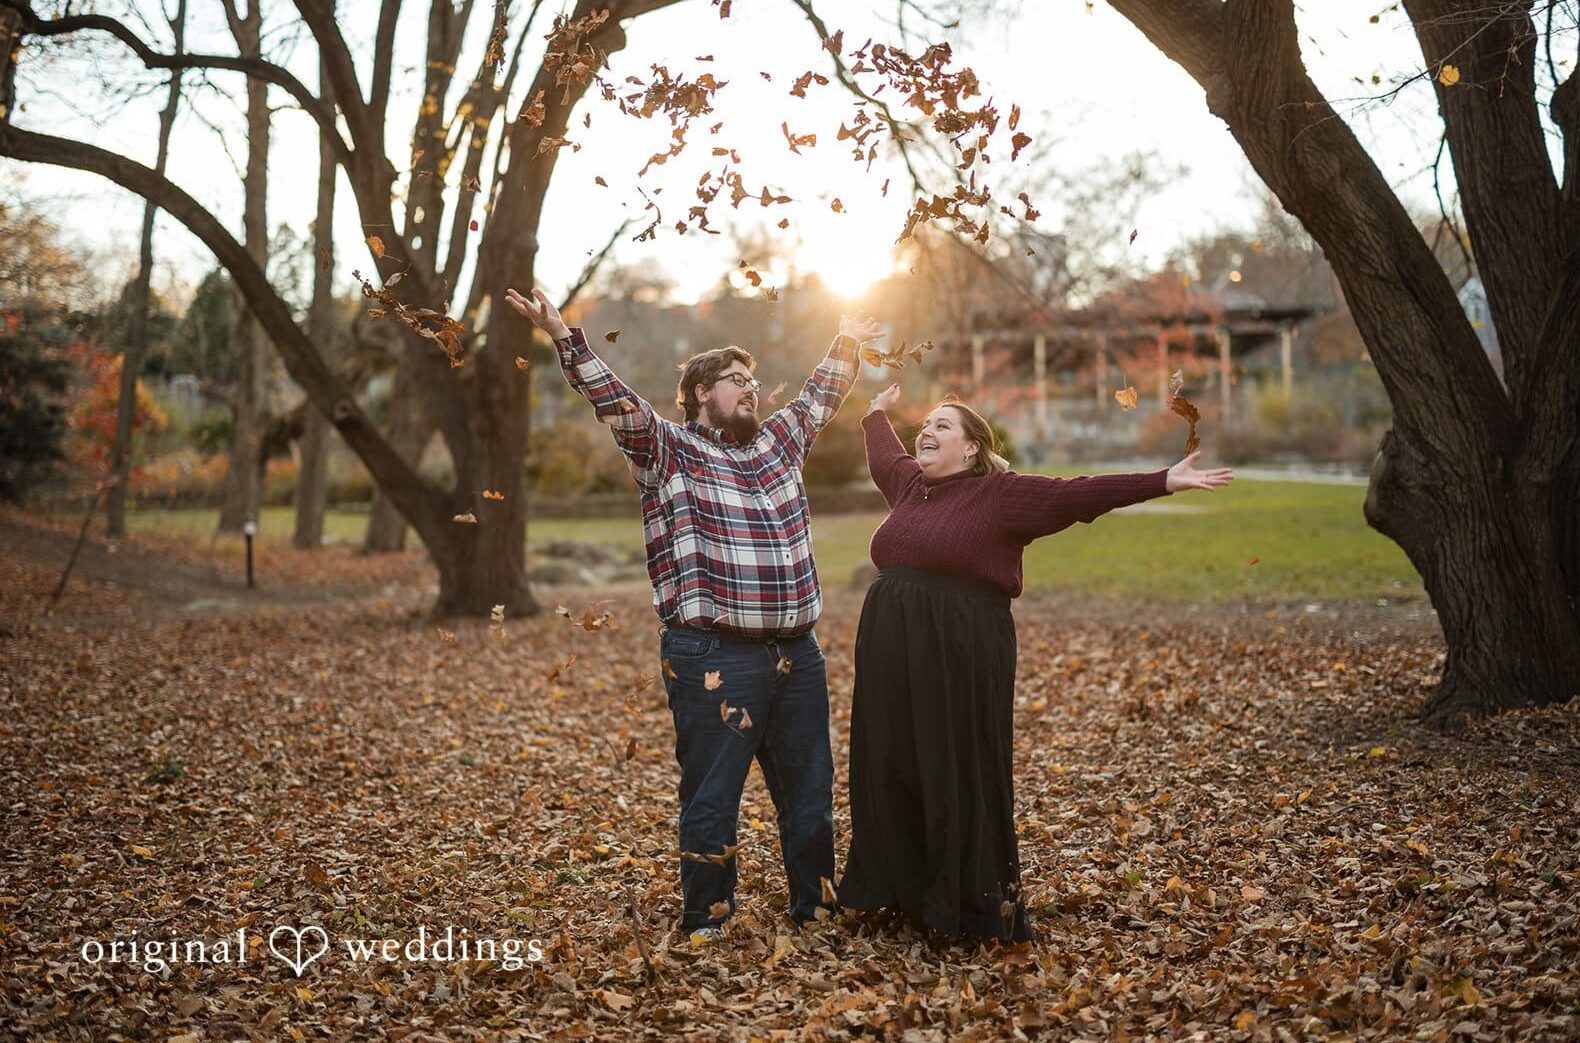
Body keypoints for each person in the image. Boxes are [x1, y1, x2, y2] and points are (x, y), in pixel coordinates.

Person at [505, 286, 881, 942]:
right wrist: (567, 339)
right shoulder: (667, 449)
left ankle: (815, 910)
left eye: (755, 381)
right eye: (738, 380)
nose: (752, 390)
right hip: (713, 654)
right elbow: (615, 403)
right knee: (712, 797)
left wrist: (847, 336)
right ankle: (708, 920)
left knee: (812, 796)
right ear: (702, 391)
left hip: (799, 653)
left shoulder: (778, 447)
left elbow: (821, 393)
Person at [838, 383, 1234, 942]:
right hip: (891, 649)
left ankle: (960, 904)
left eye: (942, 425)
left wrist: (1163, 480)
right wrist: (874, 412)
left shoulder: (1003, 495)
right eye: (924, 423)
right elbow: (884, 450)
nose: (925, 431)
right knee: (892, 761)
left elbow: (1078, 494)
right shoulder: (908, 485)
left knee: (954, 765)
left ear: (973, 448)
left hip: (961, 649)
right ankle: (899, 893)